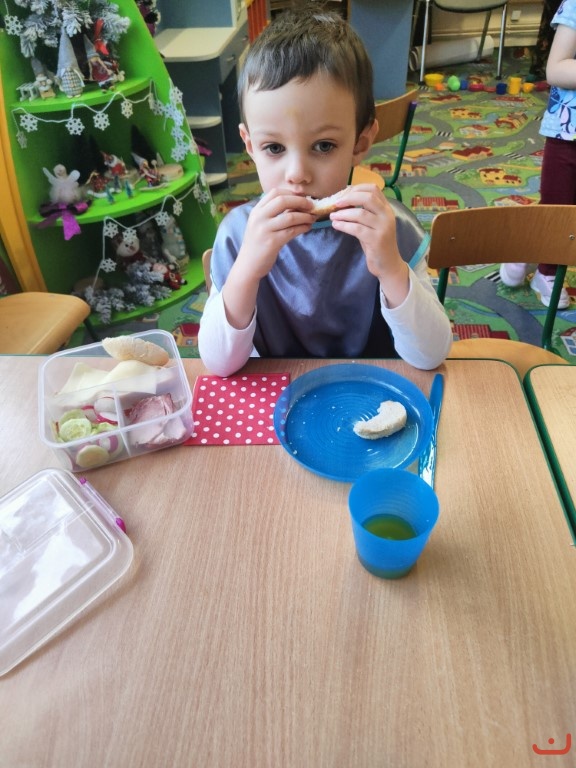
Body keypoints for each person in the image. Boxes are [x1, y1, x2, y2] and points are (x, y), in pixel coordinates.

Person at [198, 8, 452, 377]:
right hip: (280, 397)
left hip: (371, 391)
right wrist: (247, 270)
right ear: (250, 146)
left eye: (323, 146)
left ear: (360, 142)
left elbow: (430, 355)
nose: (297, 174)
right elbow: (219, 364)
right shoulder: (239, 235)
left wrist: (392, 270)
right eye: (274, 148)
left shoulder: (390, 229)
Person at [499, 0, 574, 310]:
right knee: (559, 206)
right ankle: (547, 272)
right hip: (568, 134)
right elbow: (555, 69)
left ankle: (527, 246)